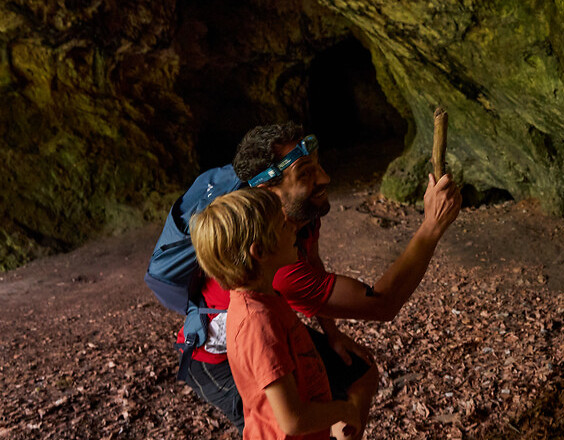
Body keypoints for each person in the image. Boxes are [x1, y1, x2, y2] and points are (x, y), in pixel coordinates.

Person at [179, 122, 462, 435]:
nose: (325, 178)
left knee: (358, 376)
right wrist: (432, 226)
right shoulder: (277, 269)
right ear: (267, 191)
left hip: (273, 328)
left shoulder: (296, 218)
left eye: (318, 166)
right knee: (280, 426)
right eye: (305, 173)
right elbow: (382, 305)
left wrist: (333, 334)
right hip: (219, 359)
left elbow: (313, 261)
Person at [190, 188, 375, 439]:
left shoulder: (264, 298)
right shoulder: (257, 323)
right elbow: (292, 421)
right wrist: (343, 409)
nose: (292, 227)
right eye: (282, 225)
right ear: (261, 252)